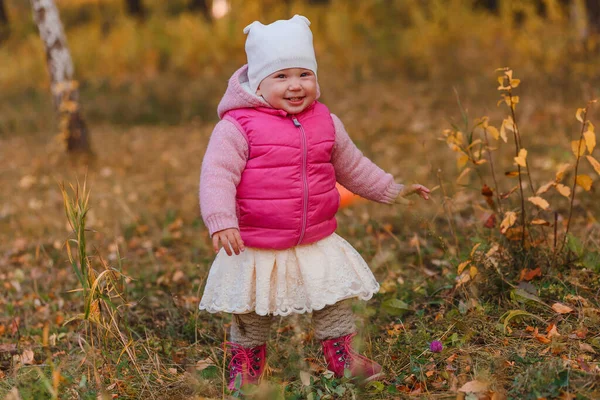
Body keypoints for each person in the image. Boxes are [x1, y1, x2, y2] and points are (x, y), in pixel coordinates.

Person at [198, 15, 430, 391]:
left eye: (304, 74)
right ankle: (246, 362)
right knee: (253, 311)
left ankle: (342, 355)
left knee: (331, 300)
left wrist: (391, 190)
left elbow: (353, 167)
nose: (295, 86)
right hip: (258, 241)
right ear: (257, 84)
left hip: (316, 236)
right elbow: (216, 174)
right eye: (281, 76)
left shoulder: (326, 122)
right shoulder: (237, 127)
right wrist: (222, 219)